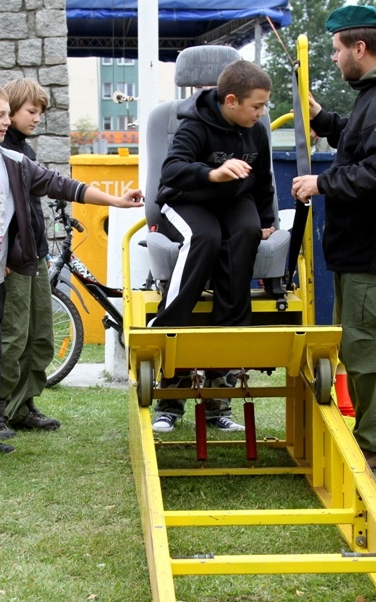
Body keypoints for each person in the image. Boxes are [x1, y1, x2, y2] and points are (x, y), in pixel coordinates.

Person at [0, 80, 143, 470]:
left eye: (8, 114)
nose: (8, 122)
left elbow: (64, 185)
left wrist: (115, 201)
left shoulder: (16, 164)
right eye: (0, 115)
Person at [291, 5, 376, 470]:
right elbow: (362, 139)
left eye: (337, 51)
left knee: (374, 354)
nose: (333, 59)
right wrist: (326, 120)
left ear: (360, 48)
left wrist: (322, 183)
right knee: (362, 348)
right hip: (365, 253)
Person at [148, 59, 276, 434]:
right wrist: (211, 172)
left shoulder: (256, 131)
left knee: (246, 232)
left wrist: (266, 221)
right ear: (232, 101)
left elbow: (263, 180)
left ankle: (219, 403)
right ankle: (169, 387)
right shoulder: (193, 123)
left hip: (233, 202)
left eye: (265, 106)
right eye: (257, 106)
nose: (262, 113)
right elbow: (171, 171)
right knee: (205, 237)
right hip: (189, 198)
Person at [0, 78, 59, 441]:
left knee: (40, 334)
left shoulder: (26, 152)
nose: (36, 118)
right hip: (13, 259)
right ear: (12, 110)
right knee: (13, 335)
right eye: (31, 111)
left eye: (39, 112)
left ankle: (25, 404)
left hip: (37, 253)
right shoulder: (0, 151)